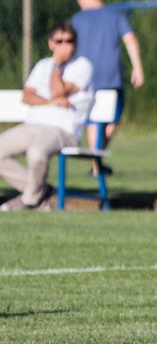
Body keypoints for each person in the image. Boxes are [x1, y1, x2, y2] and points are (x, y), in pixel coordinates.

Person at [0, 22, 94, 211]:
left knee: (37, 152)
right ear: (51, 43)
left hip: (62, 130)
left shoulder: (82, 66)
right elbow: (27, 96)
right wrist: (50, 102)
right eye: (59, 41)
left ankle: (29, 199)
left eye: (69, 41)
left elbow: (58, 91)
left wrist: (57, 65)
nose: (64, 45)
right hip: (33, 124)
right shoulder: (43, 64)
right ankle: (42, 191)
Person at [71, 0, 143, 158]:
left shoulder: (77, 19)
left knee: (91, 121)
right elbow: (130, 39)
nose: (78, 0)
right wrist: (137, 67)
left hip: (84, 79)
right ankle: (97, 158)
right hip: (111, 77)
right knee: (112, 120)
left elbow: (67, 47)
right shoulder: (116, 16)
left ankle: (95, 158)